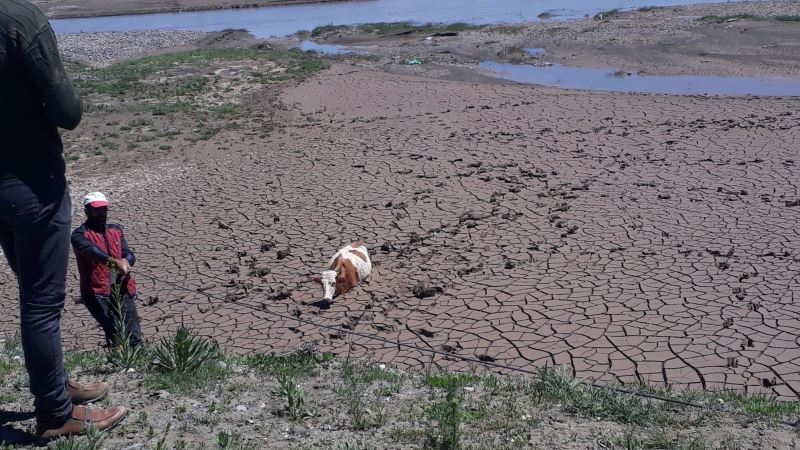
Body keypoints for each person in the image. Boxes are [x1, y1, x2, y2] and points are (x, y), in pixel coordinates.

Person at [0, 0, 126, 440]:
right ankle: (55, 414)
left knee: (33, 290)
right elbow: (67, 111)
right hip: (34, 185)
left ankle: (58, 387)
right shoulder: (19, 19)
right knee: (41, 301)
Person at [72, 192, 143, 348]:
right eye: (97, 210)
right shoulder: (79, 235)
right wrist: (114, 263)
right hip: (96, 293)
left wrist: (126, 262)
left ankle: (140, 364)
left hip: (122, 288)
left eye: (104, 209)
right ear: (87, 211)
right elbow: (91, 251)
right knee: (115, 333)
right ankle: (122, 368)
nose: (101, 214)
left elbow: (127, 253)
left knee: (134, 334)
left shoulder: (116, 230)